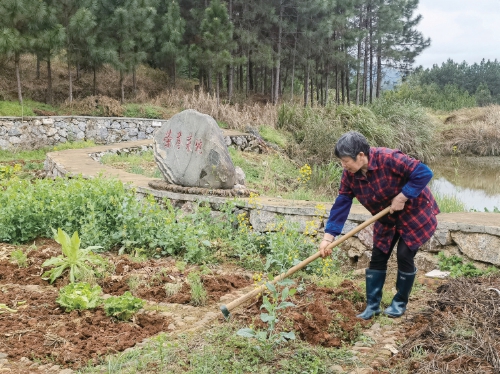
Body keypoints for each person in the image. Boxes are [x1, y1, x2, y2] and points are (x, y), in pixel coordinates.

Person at [319, 131, 439, 319]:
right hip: (386, 219)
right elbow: (342, 202)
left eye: (345, 160)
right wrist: (328, 237)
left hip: (414, 213)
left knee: (404, 254)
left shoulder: (389, 159)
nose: (343, 165)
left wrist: (403, 195)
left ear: (360, 155)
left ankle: (399, 303)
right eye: (341, 161)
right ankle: (372, 306)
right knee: (378, 257)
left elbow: (424, 172)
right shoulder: (350, 175)